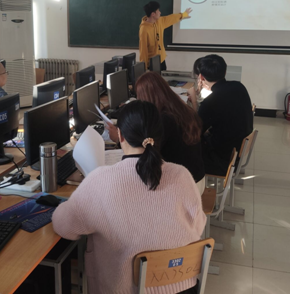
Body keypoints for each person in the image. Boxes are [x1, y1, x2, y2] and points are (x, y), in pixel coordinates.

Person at [52, 100, 205, 294]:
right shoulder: (181, 174)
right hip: (183, 286)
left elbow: (64, 227)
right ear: (159, 136)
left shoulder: (100, 179)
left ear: (120, 136)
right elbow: (198, 225)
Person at [134, 71, 206, 194]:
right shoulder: (182, 109)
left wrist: (121, 140)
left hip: (186, 188)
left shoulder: (164, 120)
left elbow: (148, 153)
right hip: (198, 178)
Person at [187, 54, 253, 176]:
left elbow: (195, 131)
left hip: (221, 161)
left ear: (201, 77)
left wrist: (194, 102)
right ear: (225, 72)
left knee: (182, 146)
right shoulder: (239, 86)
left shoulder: (211, 102)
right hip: (236, 152)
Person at [139, 1, 192, 71]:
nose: (160, 12)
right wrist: (144, 68)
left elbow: (171, 18)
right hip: (151, 62)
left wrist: (183, 14)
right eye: (158, 11)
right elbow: (143, 50)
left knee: (163, 76)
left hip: (161, 59)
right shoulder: (144, 29)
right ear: (153, 14)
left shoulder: (159, 21)